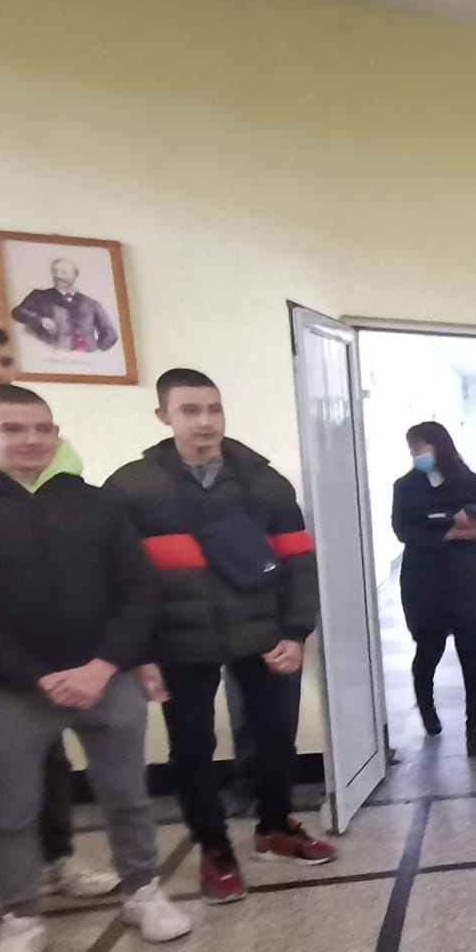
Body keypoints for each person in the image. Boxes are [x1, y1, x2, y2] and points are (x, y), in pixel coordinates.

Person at [0, 386, 191, 952]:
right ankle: (21, 920)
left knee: (127, 795)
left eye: (43, 427)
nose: (32, 439)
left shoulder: (97, 503)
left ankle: (142, 890)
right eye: (13, 429)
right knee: (9, 814)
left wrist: (104, 665)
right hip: (8, 690)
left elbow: (138, 590)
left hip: (106, 679)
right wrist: (35, 676)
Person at [106, 368, 332, 904]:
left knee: (274, 734)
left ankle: (275, 826)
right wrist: (137, 654)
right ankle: (214, 847)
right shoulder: (131, 488)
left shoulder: (264, 483)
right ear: (163, 415)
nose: (205, 421)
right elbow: (117, 579)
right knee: (192, 747)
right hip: (177, 641)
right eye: (190, 410)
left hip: (263, 633)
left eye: (214, 408)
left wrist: (296, 632)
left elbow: (298, 562)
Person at [0, 317, 112, 946]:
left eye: (4, 361)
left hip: (33, 639)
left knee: (45, 752)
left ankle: (54, 860)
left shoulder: (43, 443)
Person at [391, 422, 476, 757]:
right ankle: (427, 709)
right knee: (429, 648)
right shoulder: (405, 487)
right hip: (424, 579)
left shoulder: (471, 482)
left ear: (439, 445)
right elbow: (402, 530)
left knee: (472, 651)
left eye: (420, 447)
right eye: (412, 448)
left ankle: (475, 729)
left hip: (465, 579)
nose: (416, 454)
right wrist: (447, 535)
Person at [10, 257, 119, 355]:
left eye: (64, 272)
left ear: (75, 275)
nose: (58, 275)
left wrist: (95, 354)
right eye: (55, 272)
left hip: (86, 361)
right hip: (53, 357)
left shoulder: (91, 303)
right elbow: (17, 312)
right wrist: (40, 320)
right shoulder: (39, 296)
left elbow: (110, 334)